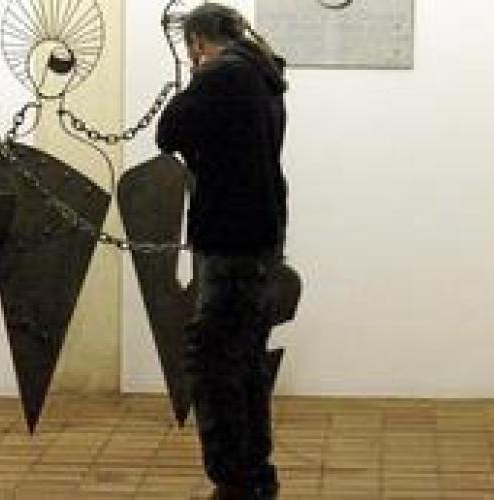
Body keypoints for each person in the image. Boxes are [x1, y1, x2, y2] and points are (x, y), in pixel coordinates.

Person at [156, 3, 288, 499]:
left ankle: (233, 482)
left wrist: (195, 78)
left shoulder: (222, 74)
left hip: (230, 240)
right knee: (245, 362)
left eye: (190, 49)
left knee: (213, 365)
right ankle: (255, 477)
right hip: (260, 237)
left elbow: (168, 132)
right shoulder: (265, 75)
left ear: (196, 42)